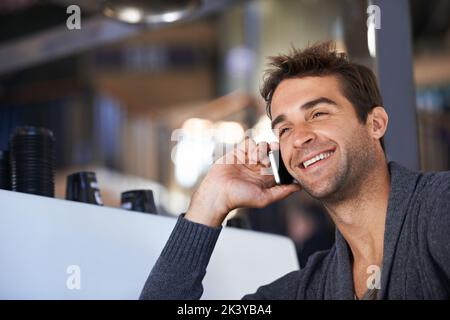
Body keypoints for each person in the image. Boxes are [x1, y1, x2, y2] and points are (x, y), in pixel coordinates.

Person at [140, 41, 450, 300]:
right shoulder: (307, 289)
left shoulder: (438, 208)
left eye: (318, 113)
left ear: (375, 123)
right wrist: (211, 201)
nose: (300, 137)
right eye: (284, 129)